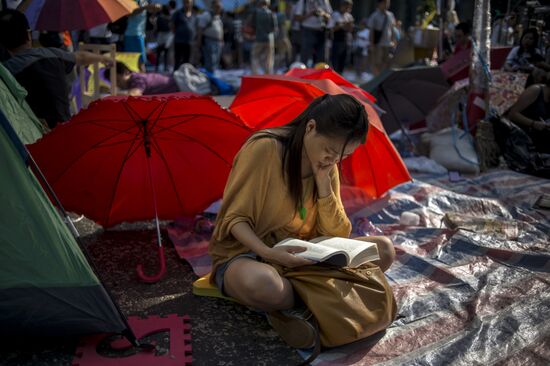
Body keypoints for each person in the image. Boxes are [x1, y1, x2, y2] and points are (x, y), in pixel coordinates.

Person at [208, 93, 396, 348]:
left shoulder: (328, 164)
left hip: (306, 255)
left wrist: (324, 185)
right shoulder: (265, 149)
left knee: (383, 249)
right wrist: (269, 253)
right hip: (251, 254)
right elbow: (234, 219)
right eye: (330, 150)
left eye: (343, 156)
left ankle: (303, 308)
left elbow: (337, 232)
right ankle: (318, 303)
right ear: (310, 127)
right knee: (263, 285)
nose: (334, 160)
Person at [0, 9, 113, 128]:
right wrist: (103, 58)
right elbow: (81, 56)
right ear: (29, 35)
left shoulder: (6, 73)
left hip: (32, 135)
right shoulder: (52, 54)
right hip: (64, 128)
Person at [108, 61, 209, 96]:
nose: (117, 84)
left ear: (126, 72)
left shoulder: (136, 79)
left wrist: (112, 93)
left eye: (117, 80)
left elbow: (135, 94)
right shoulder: (136, 76)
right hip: (175, 82)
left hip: (180, 84)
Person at [506, 73, 550, 154]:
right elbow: (512, 114)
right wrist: (533, 123)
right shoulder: (535, 90)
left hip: (539, 139)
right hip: (520, 137)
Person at [293, 0, 332, 67]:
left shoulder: (324, 1)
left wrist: (323, 14)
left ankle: (318, 76)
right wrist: (311, 14)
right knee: (305, 57)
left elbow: (330, 16)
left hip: (321, 31)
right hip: (307, 30)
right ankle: (304, 75)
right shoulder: (303, 1)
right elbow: (297, 17)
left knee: (320, 57)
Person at [367, 0, 396, 76]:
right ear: (380, 3)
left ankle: (381, 78)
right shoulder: (375, 15)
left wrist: (394, 41)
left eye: (388, 3)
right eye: (385, 3)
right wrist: (371, 44)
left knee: (387, 62)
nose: (387, 5)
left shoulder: (390, 15)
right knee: (377, 62)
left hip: (388, 43)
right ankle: (376, 78)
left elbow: (392, 29)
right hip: (378, 44)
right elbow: (372, 31)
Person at [248, 0, 277, 75]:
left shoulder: (256, 12)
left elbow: (252, 26)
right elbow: (275, 29)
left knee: (255, 56)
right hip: (269, 39)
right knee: (269, 58)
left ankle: (255, 74)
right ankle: (268, 74)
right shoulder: (271, 13)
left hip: (259, 38)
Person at [197, 0, 224, 72]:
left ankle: (213, 78)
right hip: (209, 41)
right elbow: (200, 29)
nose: (219, 9)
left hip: (218, 42)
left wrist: (221, 41)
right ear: (213, 7)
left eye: (220, 7)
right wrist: (199, 41)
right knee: (210, 62)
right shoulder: (207, 15)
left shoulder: (218, 17)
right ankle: (209, 78)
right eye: (217, 7)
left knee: (216, 62)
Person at [328, 0, 354, 74]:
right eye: (346, 7)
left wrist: (349, 26)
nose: (347, 9)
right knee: (335, 59)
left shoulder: (349, 16)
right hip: (336, 40)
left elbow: (350, 29)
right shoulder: (335, 15)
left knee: (343, 60)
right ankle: (334, 74)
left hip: (345, 41)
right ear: (342, 6)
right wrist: (342, 25)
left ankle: (340, 74)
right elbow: (331, 28)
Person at [171, 0, 197, 69]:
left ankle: (186, 75)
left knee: (187, 61)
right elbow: (172, 25)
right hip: (179, 41)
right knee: (178, 60)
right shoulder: (178, 13)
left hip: (189, 41)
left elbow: (195, 26)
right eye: (186, 2)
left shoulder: (194, 14)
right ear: (183, 3)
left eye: (189, 2)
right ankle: (176, 74)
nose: (187, 4)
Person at [154, 5, 173, 72]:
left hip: (161, 35)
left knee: (159, 53)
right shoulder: (170, 18)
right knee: (166, 53)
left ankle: (156, 67)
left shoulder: (159, 17)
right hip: (167, 36)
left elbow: (156, 28)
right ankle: (165, 67)